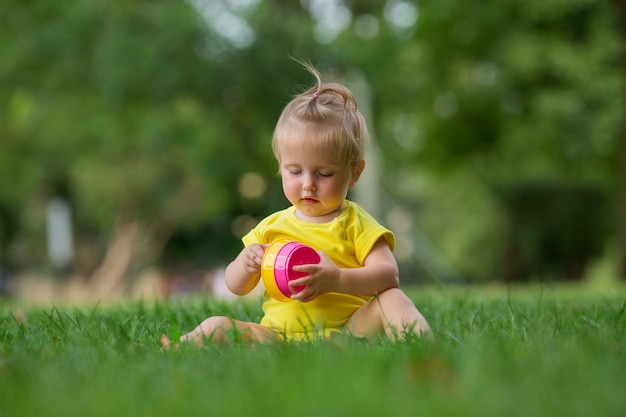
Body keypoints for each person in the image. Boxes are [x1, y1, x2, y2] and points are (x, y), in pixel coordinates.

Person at [161, 62, 432, 348]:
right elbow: (235, 286)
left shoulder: (355, 222)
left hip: (345, 335)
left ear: (354, 172)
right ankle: (176, 349)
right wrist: (246, 262)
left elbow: (389, 276)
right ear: (280, 167)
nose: (308, 184)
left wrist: (337, 279)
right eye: (295, 171)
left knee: (393, 299)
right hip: (278, 339)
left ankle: (422, 351)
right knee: (217, 325)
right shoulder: (271, 227)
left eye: (324, 173)